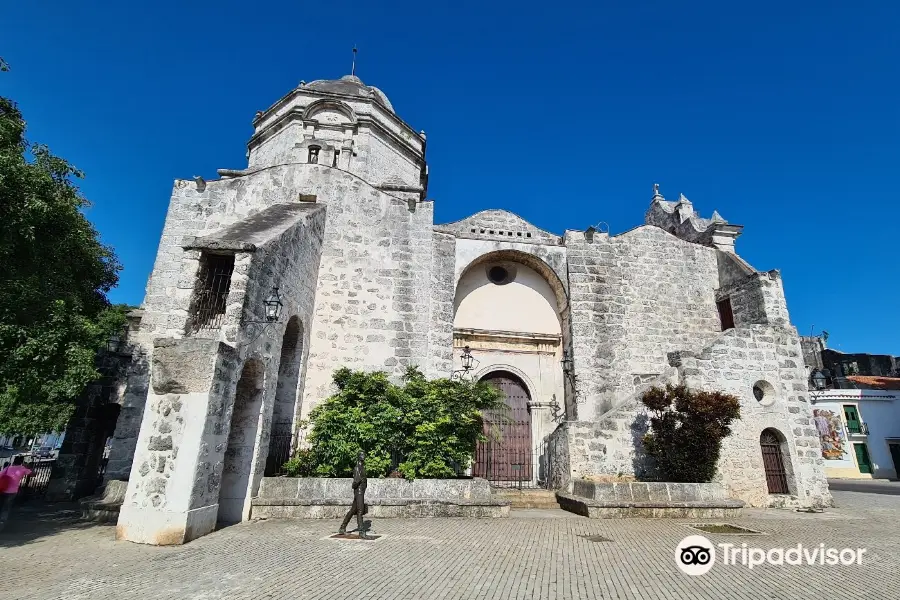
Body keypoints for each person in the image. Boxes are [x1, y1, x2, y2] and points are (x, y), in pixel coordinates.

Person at [338, 450, 371, 538]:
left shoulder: (362, 467)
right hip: (359, 491)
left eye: (364, 454)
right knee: (360, 510)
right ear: (359, 456)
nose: (363, 456)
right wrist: (360, 481)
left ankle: (342, 527)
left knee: (353, 510)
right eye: (362, 455)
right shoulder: (357, 467)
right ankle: (361, 530)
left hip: (361, 491)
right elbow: (356, 481)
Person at [0, 455, 33, 532]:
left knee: (1, 506)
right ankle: (1, 524)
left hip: (2, 490)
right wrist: (27, 467)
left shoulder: (8, 468)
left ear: (14, 461)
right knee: (6, 508)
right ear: (21, 462)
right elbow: (33, 474)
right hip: (12, 492)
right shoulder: (22, 469)